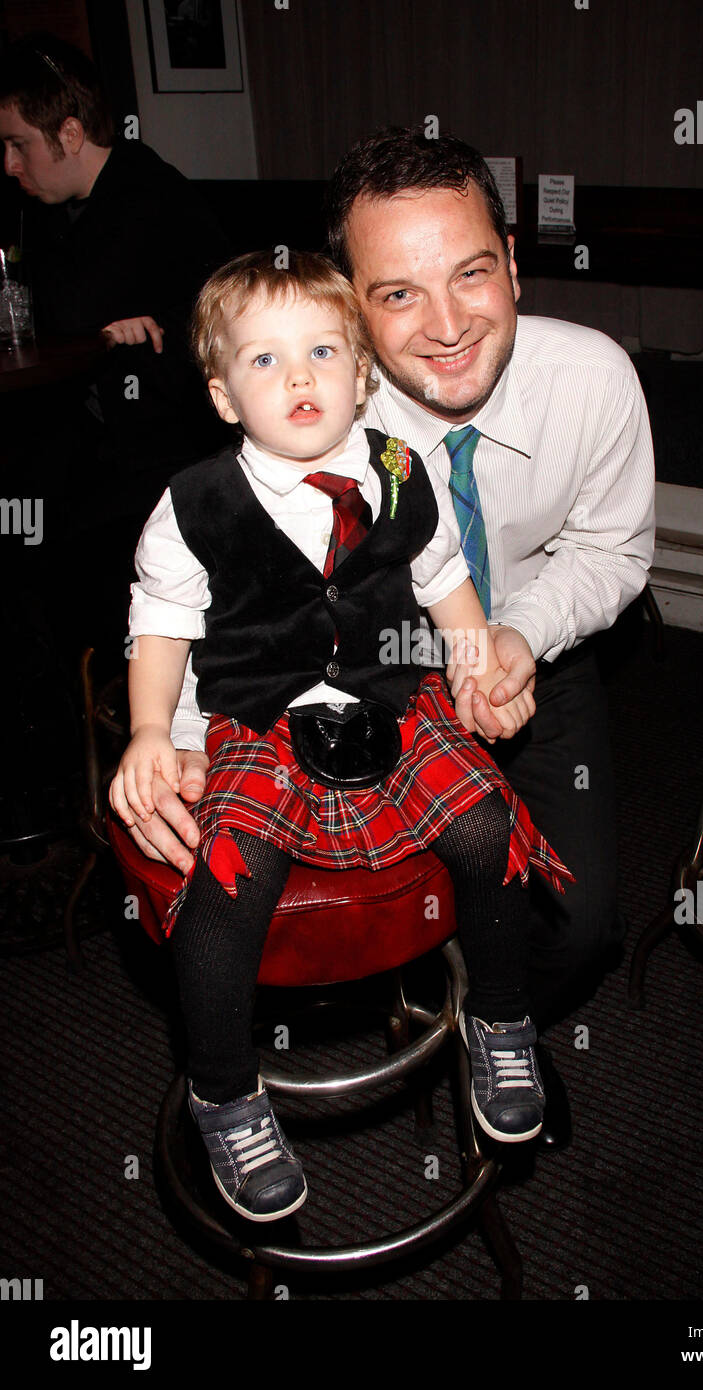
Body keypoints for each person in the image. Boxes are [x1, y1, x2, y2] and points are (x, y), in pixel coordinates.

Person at [115, 128, 656, 1147]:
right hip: (309, 693)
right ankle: (267, 1067)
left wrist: (512, 639)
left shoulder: (591, 382)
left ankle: (494, 1020)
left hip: (525, 649)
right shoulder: (296, 416)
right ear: (349, 302)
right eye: (398, 293)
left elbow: (611, 552)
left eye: (471, 274)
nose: (448, 325)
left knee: (572, 922)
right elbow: (190, 603)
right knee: (242, 880)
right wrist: (172, 733)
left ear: (510, 261)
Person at [109, 248, 574, 1221]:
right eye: (265, 360)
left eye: (323, 350)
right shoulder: (193, 503)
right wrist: (153, 728)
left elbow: (444, 578)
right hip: (260, 720)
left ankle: (498, 1016)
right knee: (227, 887)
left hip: (395, 700)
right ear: (223, 394)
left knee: (490, 830)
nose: (300, 377)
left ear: (362, 374)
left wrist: (476, 658)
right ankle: (224, 1089)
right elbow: (159, 628)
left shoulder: (400, 468)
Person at [0, 33, 232, 655]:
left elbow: (75, 312)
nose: (9, 165)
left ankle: (85, 709)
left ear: (70, 136)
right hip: (96, 443)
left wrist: (118, 333)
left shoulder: (149, 197)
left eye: (19, 145)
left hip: (168, 458)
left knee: (38, 545)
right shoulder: (56, 210)